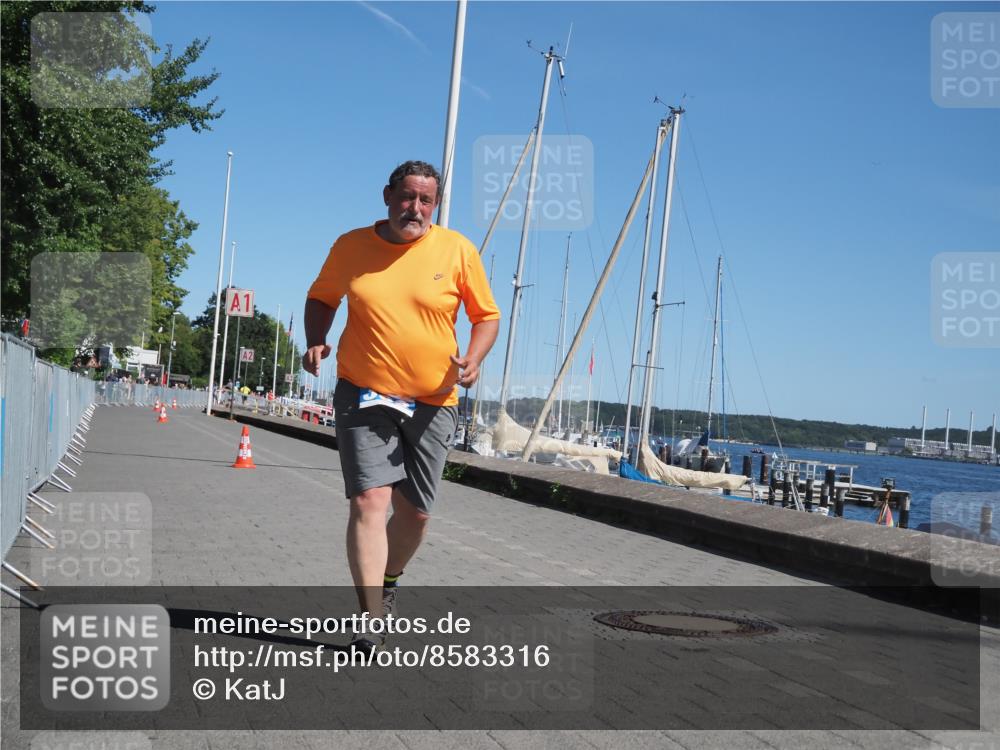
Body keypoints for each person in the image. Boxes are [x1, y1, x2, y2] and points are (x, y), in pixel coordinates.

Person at [303, 160, 500, 653]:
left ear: (435, 205)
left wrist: (473, 358)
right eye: (407, 196)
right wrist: (316, 339)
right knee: (371, 500)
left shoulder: (456, 250)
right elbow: (322, 297)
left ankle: (389, 581)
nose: (415, 207)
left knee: (416, 515)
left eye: (425, 200)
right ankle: (370, 616)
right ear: (387, 195)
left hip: (433, 399)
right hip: (362, 390)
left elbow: (486, 316)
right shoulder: (351, 246)